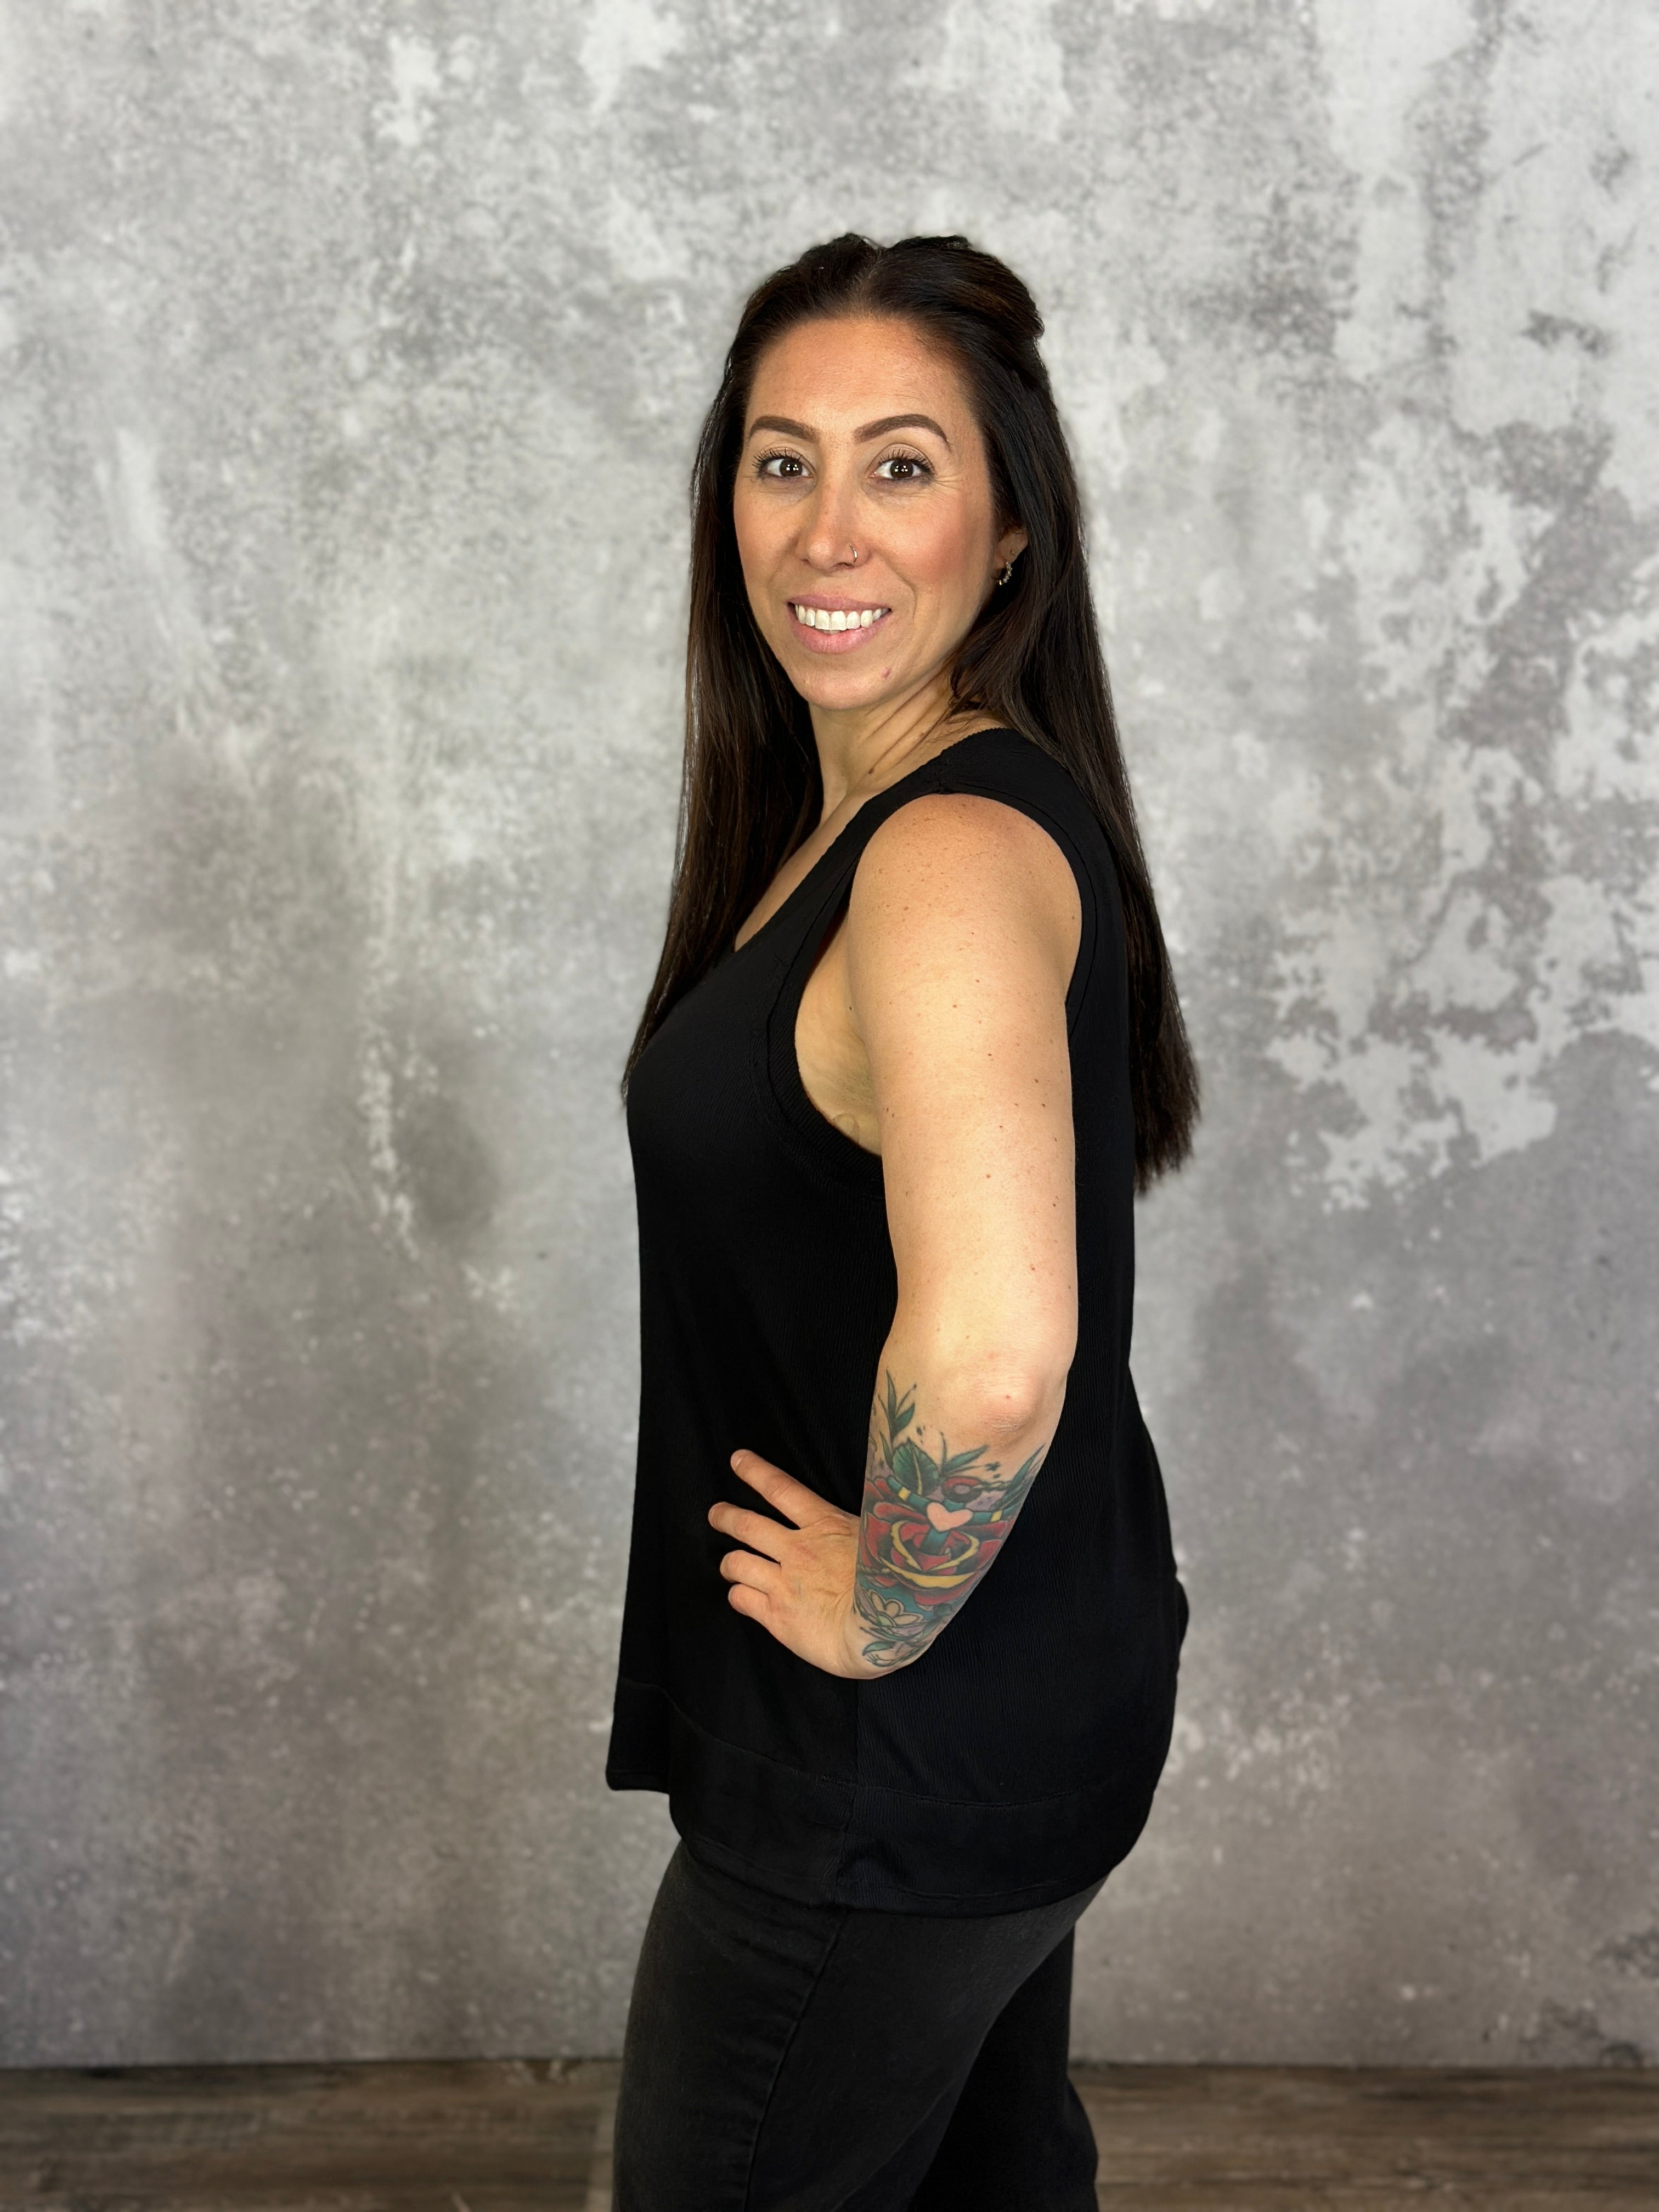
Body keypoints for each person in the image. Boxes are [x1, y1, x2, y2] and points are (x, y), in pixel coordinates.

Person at [604, 232, 1198, 2210]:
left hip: (891, 1779)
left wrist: (883, 1606)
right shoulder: (885, 821)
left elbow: (999, 1352)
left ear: (1011, 530)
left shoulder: (942, 852)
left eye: (903, 466)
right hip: (1001, 1725)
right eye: (782, 462)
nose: (827, 529)